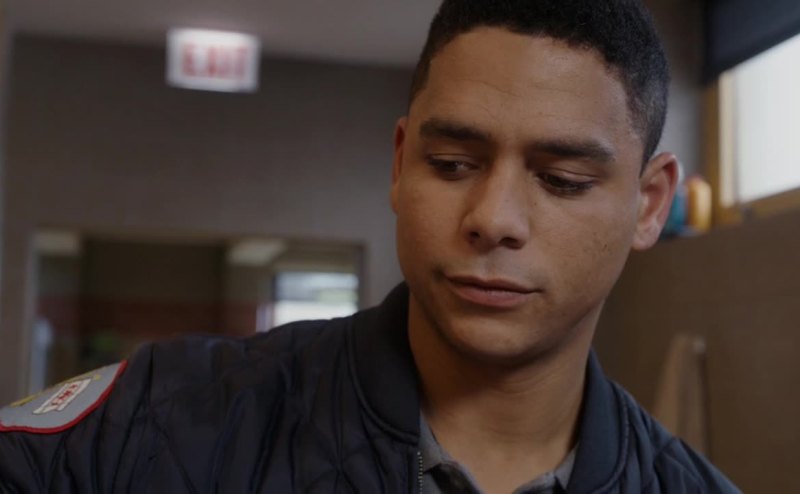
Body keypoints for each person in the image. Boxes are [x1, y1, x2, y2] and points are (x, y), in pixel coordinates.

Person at [0, 1, 740, 492]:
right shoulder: (156, 421)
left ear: (649, 205)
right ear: (399, 163)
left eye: (561, 179)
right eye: (452, 164)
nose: (493, 218)